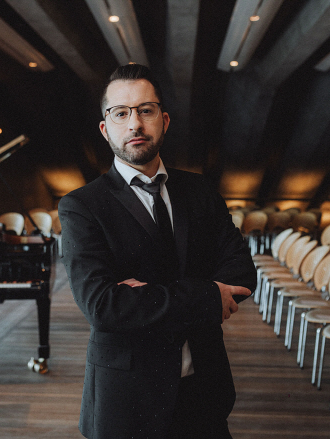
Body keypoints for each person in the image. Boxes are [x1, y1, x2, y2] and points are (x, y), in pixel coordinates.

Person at [58, 63, 257, 439]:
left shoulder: (200, 191)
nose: (135, 123)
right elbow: (102, 306)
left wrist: (143, 297)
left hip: (204, 389)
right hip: (128, 397)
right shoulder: (82, 206)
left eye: (145, 110)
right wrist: (206, 295)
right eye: (121, 113)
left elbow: (241, 272)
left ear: (163, 121)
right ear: (105, 128)